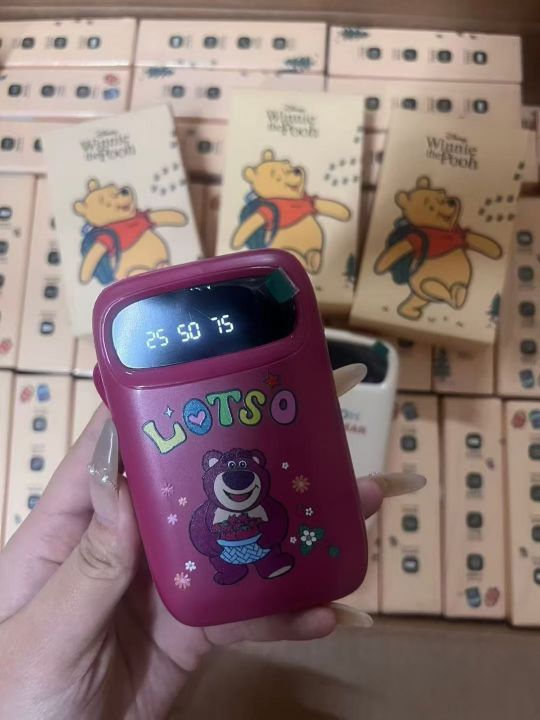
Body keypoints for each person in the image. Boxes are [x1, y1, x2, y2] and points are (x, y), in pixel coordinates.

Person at [0, 365, 424, 719]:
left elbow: (276, 517)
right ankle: (233, 567)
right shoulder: (206, 512)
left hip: (231, 571)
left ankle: (262, 561)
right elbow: (201, 530)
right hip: (199, 582)